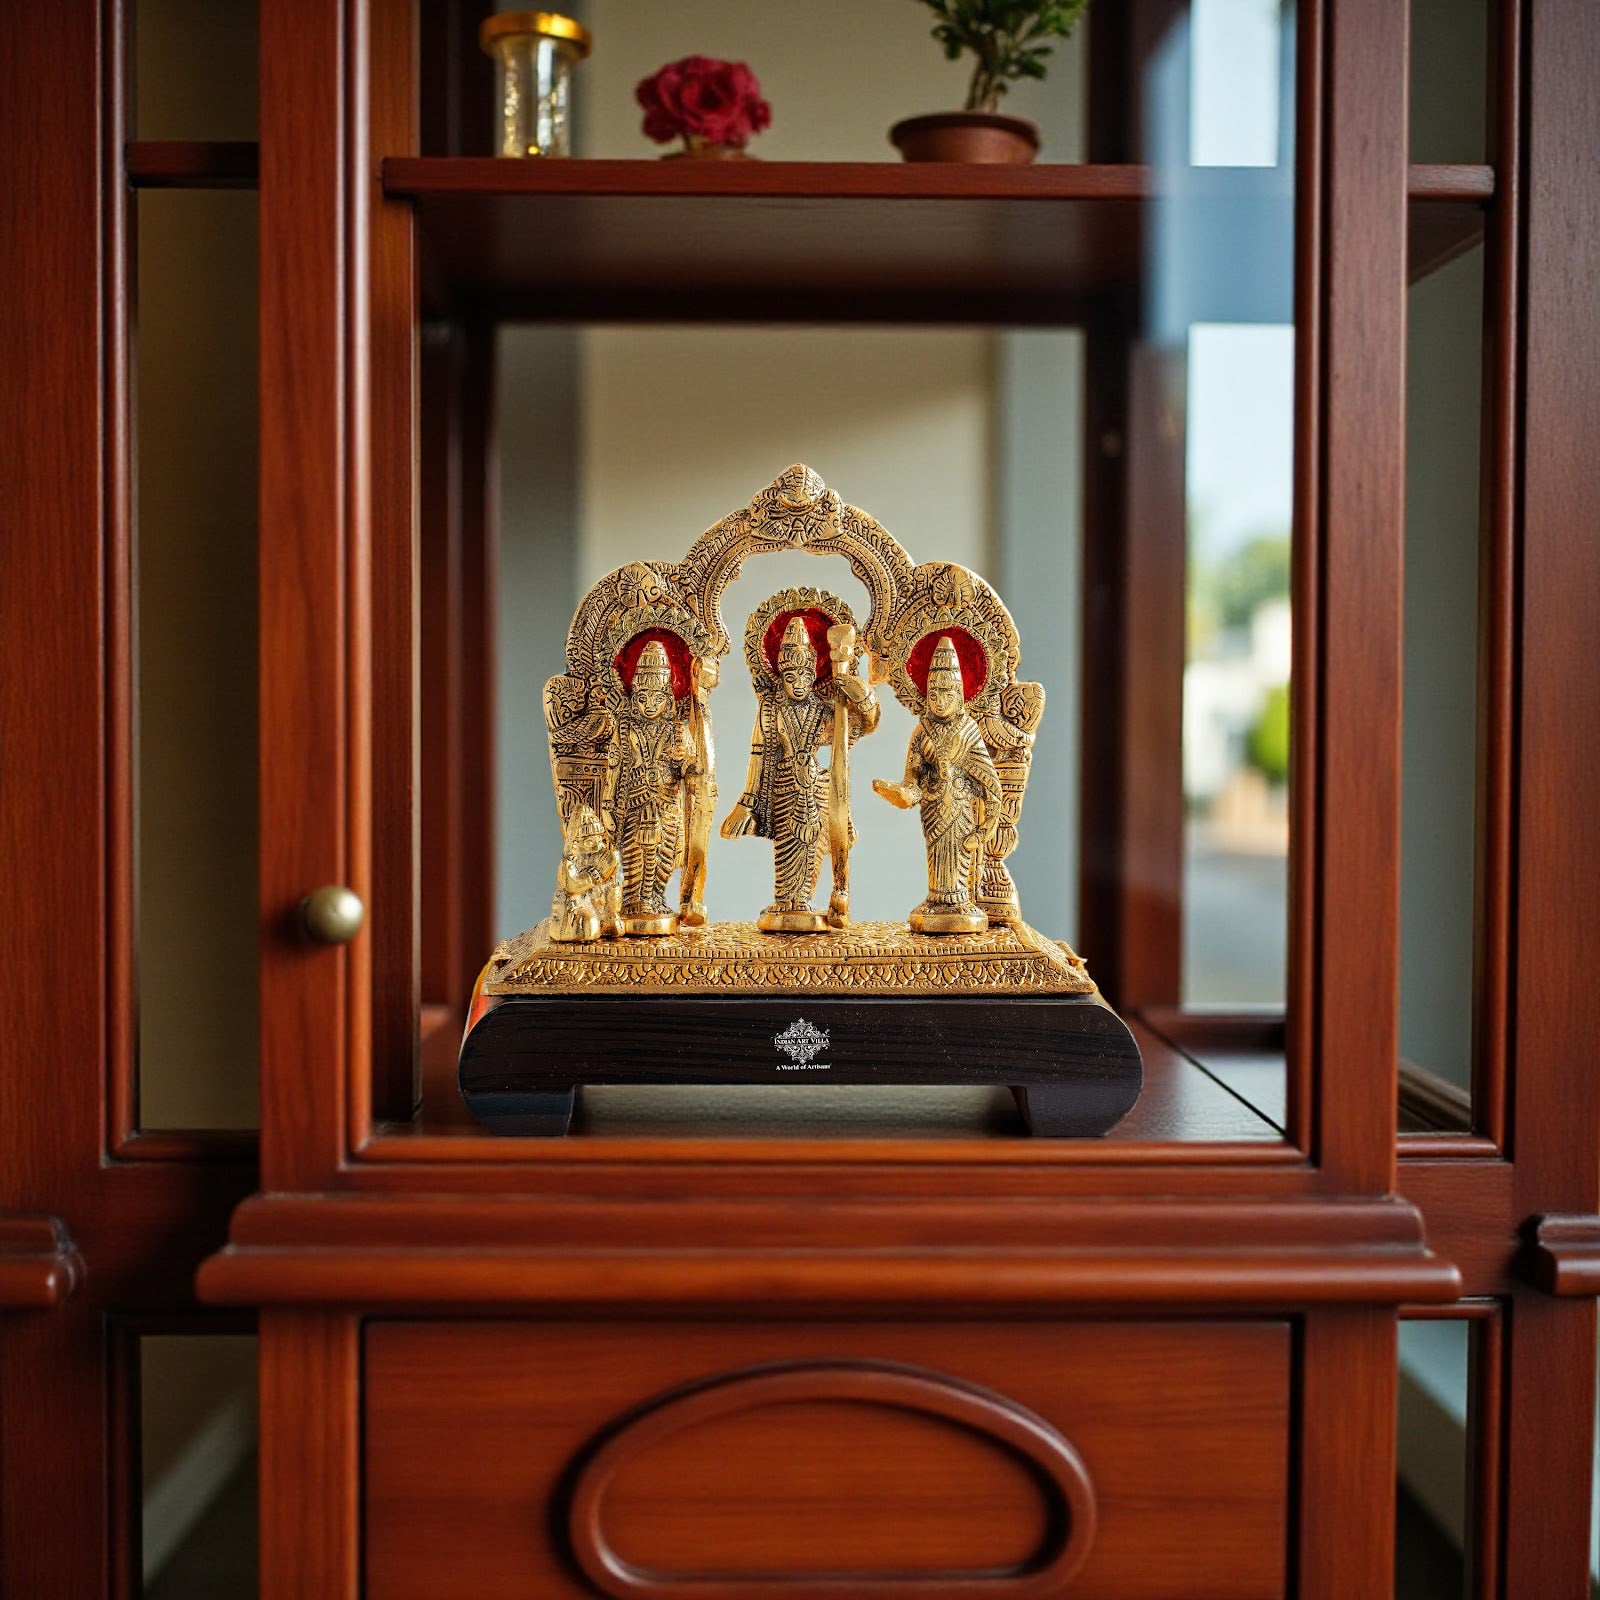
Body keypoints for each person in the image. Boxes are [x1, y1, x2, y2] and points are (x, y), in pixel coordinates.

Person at [721, 616, 879, 932]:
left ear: (814, 675)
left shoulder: (823, 709)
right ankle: (786, 899)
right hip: (784, 784)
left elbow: (861, 727)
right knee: (788, 845)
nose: (797, 683)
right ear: (780, 674)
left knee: (814, 845)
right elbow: (760, 755)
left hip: (817, 786)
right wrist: (747, 802)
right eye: (790, 676)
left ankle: (805, 899)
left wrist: (861, 694)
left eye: (805, 675)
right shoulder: (771, 708)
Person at [873, 634, 1002, 934]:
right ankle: (937, 898)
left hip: (961, 807)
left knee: (958, 852)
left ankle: (959, 900)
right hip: (932, 808)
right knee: (936, 852)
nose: (940, 701)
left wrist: (985, 829)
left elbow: (990, 784)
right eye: (934, 695)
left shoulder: (968, 730)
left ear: (959, 694)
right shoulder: (922, 731)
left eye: (947, 694)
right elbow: (913, 779)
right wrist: (902, 793)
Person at [610, 640, 695, 935]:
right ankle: (634, 900)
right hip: (634, 802)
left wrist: (685, 758)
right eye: (643, 697)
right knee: (635, 854)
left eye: (656, 697)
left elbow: (690, 769)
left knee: (663, 856)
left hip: (666, 804)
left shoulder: (677, 729)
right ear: (633, 696)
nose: (649, 705)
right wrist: (609, 806)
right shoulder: (625, 728)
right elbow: (614, 770)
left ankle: (655, 898)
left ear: (667, 697)